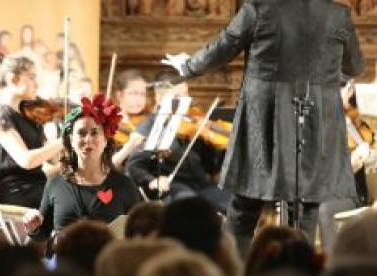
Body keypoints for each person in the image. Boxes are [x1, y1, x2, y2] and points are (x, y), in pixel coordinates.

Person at [162, 0, 365, 255]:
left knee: (246, 204)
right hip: (318, 119)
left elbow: (222, 48)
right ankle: (299, 273)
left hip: (265, 115)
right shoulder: (338, 14)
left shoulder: (258, 9)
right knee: (308, 205)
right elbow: (355, 66)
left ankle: (234, 274)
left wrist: (188, 66)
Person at [23, 92, 140, 240]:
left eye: (94, 133)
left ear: (105, 140)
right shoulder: (55, 184)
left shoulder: (124, 185)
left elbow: (137, 234)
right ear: (71, 140)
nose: (88, 139)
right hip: (66, 260)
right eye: (81, 133)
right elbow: (43, 233)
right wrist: (33, 227)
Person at [126, 70, 230, 212]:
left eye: (186, 94)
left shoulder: (191, 125)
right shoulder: (149, 127)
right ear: (160, 98)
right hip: (173, 186)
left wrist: (214, 145)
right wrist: (152, 180)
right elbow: (134, 166)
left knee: (232, 204)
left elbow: (209, 165)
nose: (186, 100)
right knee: (191, 206)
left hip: (201, 185)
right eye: (177, 96)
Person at [0, 55, 63, 208]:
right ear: (13, 80)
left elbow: (51, 161)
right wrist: (63, 141)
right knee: (72, 201)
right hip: (18, 191)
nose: (37, 84)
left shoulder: (30, 114)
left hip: (38, 185)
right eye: (32, 77)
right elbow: (26, 160)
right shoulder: (0, 115)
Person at [318, 80, 371, 252]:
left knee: (324, 209)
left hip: (354, 194)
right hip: (329, 190)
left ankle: (331, 264)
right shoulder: (329, 129)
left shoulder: (362, 128)